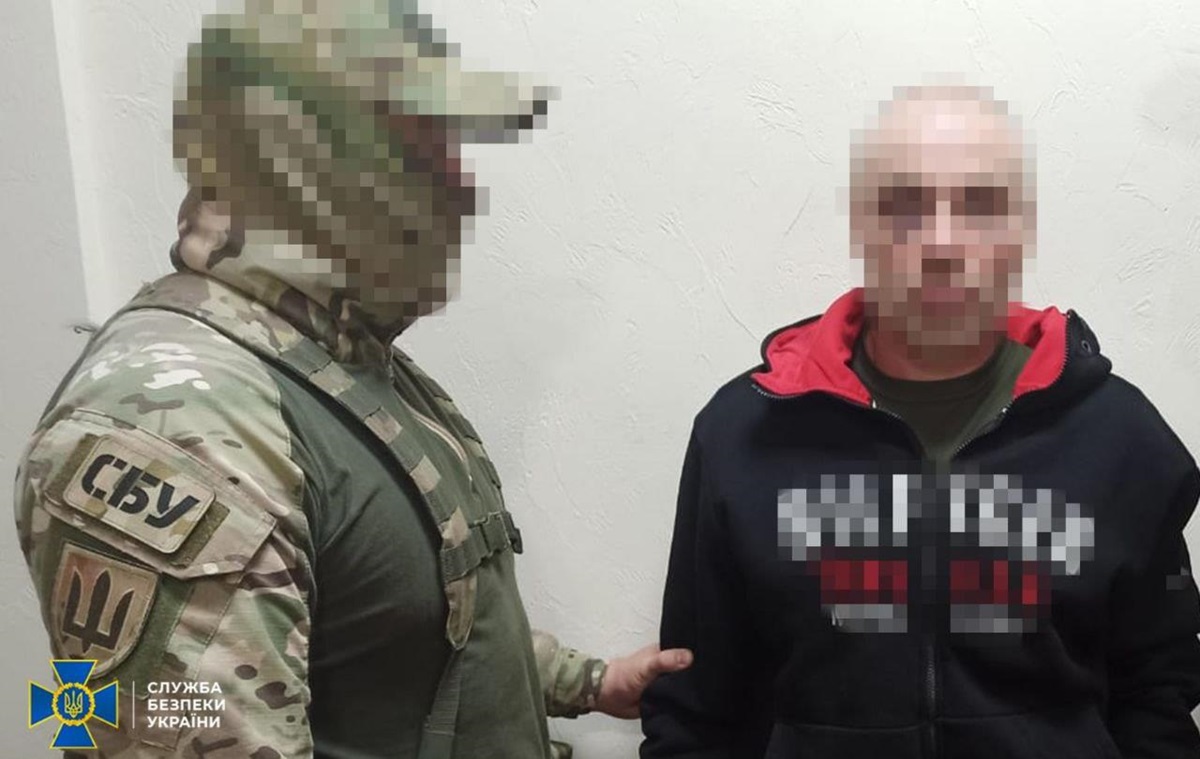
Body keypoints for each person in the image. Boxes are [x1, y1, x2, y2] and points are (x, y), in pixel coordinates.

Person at [15, 1, 689, 757]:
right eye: (421, 151)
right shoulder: (180, 420)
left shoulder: (345, 368)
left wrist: (587, 681)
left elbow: (411, 627)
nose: (460, 189)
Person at [640, 84, 1200, 758]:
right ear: (861, 226)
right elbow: (697, 714)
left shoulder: (1118, 437)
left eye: (979, 205)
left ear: (1021, 231)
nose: (940, 241)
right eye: (905, 205)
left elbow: (1159, 696)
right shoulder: (744, 435)